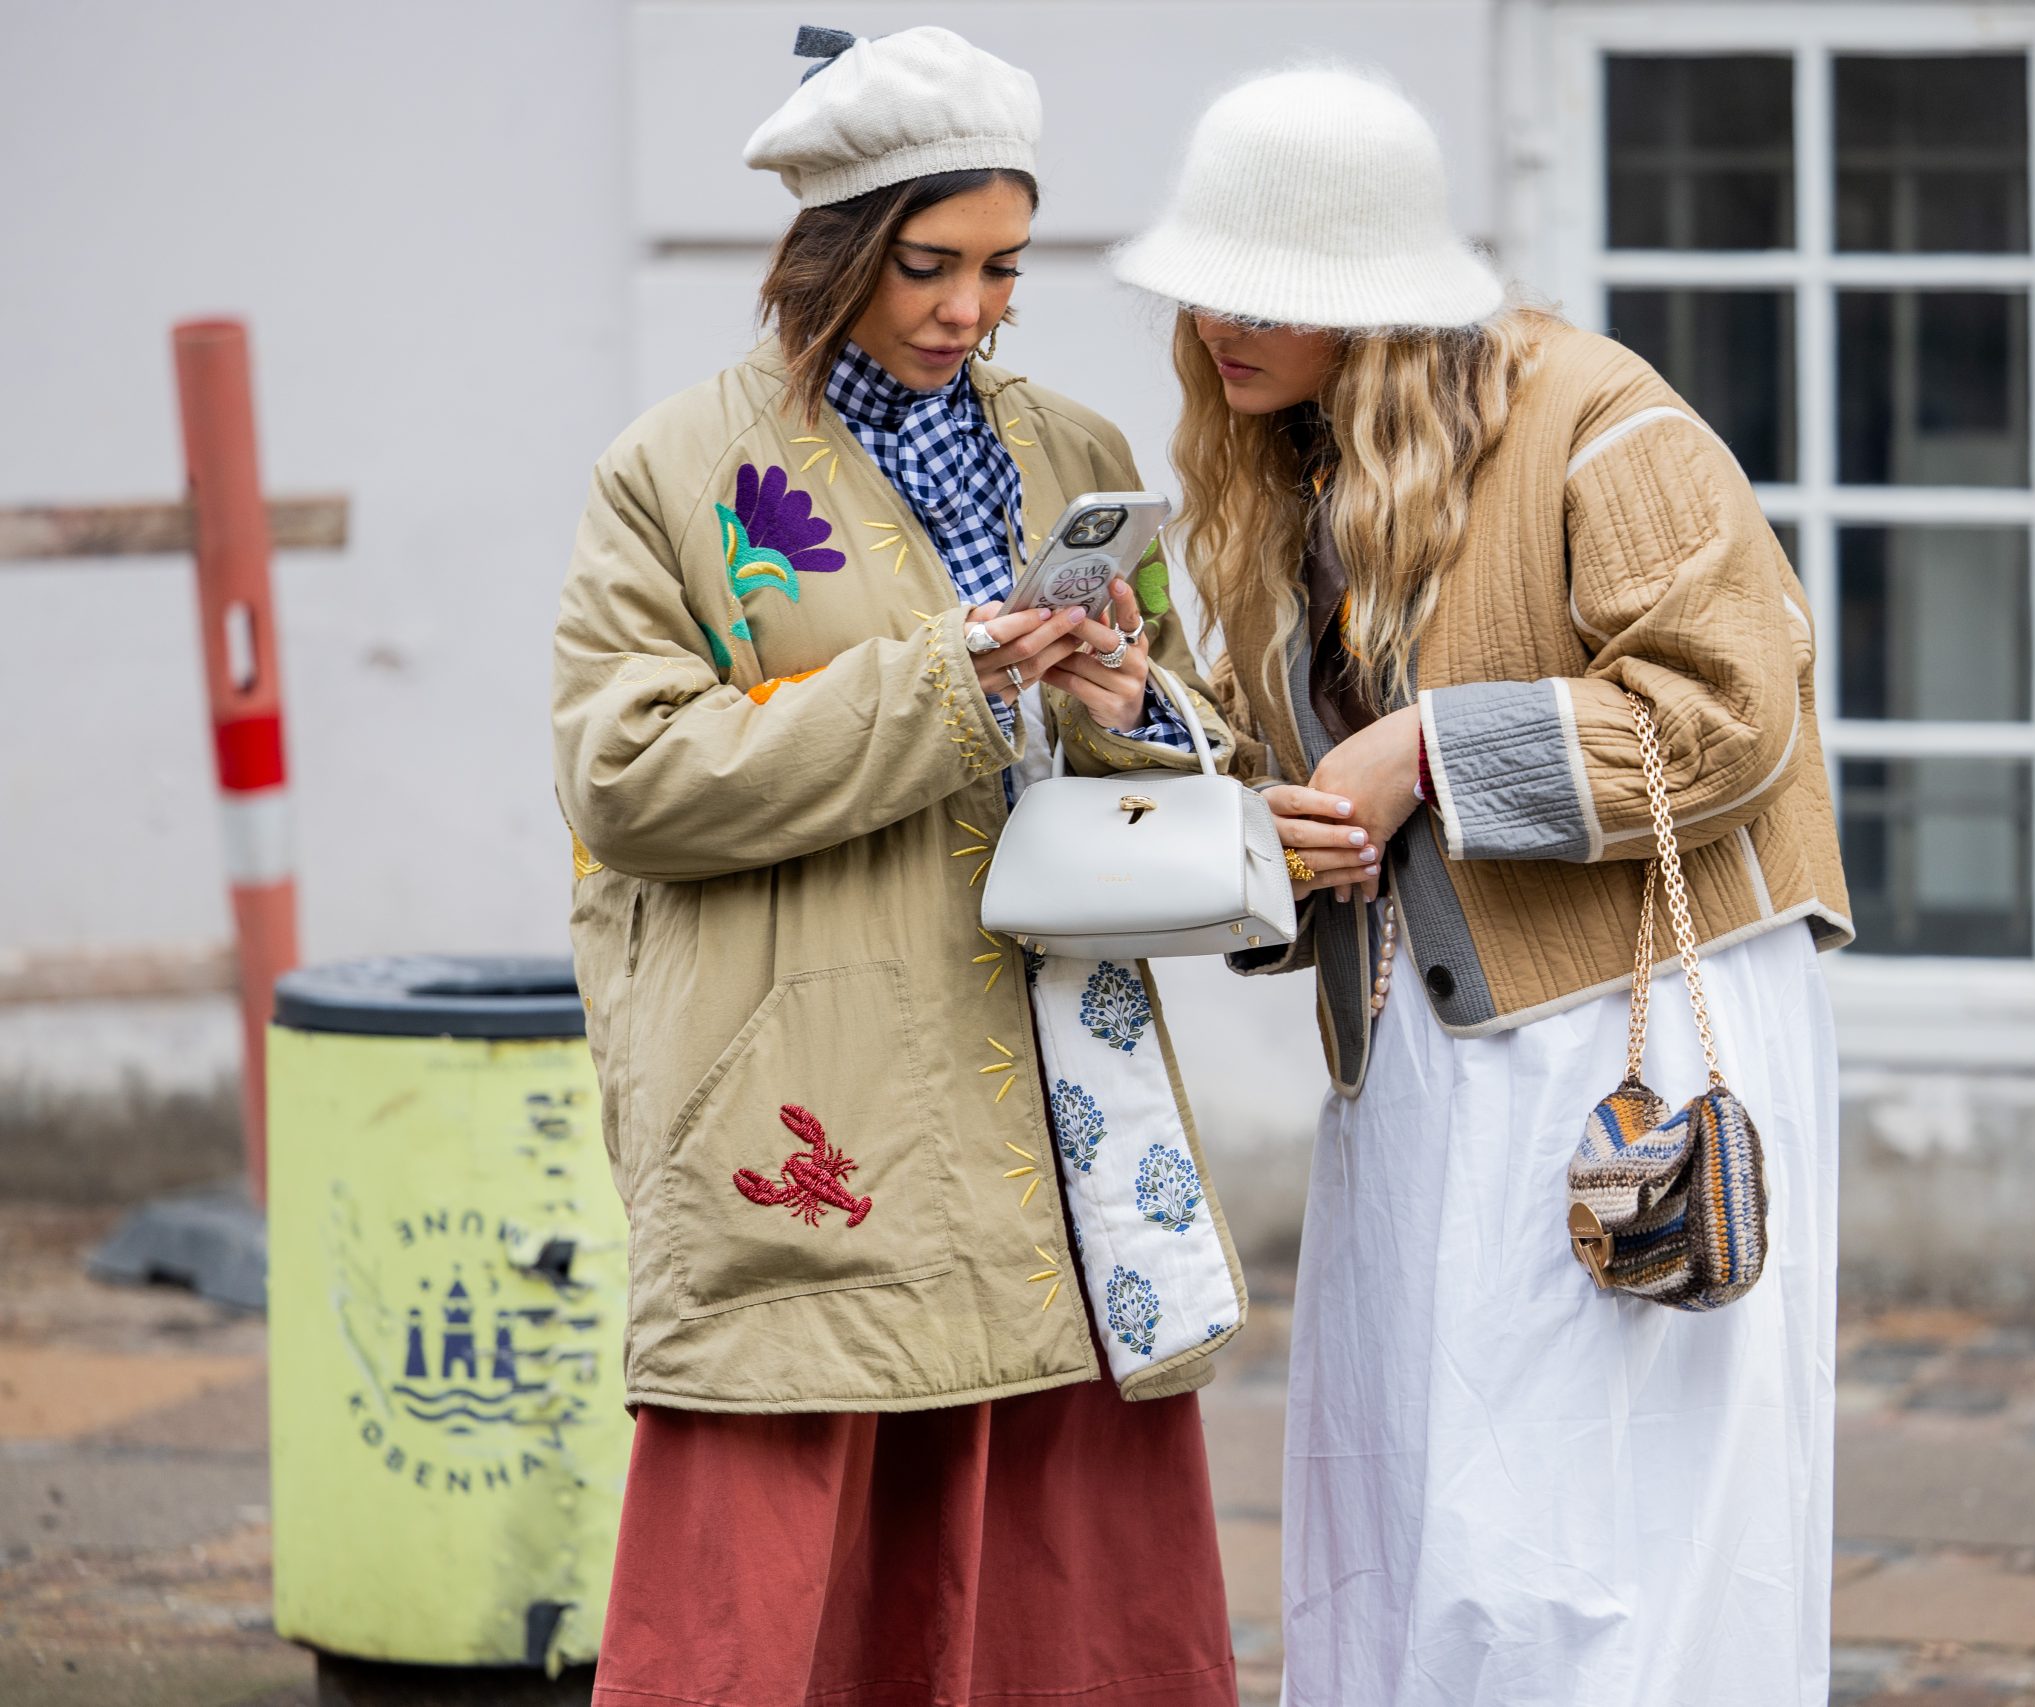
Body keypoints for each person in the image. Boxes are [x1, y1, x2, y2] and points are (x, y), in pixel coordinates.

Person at [1114, 67, 1856, 1707]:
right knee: (1423, 1512)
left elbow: (1729, 714)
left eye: (1267, 290)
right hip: (1422, 1066)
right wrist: (1252, 808)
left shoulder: (1605, 419)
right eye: (1204, 287)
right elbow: (1296, 784)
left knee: (1591, 1544)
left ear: (1363, 296)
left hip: (1627, 1041)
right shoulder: (1289, 468)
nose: (1218, 325)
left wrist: (1427, 753)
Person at [551, 27, 1246, 1707]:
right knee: (766, 1553)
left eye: (1003, 265)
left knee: (1065, 1571)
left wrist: (1129, 700)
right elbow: (627, 776)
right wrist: (942, 681)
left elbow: (1180, 748)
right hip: (806, 1073)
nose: (968, 307)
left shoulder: (1074, 451)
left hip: (1050, 1088)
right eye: (928, 264)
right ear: (832, 252)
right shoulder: (681, 468)